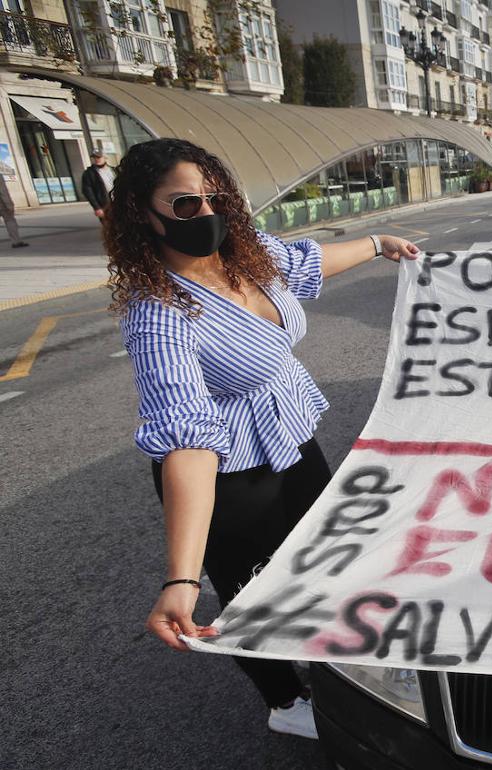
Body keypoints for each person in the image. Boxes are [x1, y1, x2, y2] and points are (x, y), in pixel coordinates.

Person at [105, 138, 419, 740]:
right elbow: (188, 440)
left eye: (216, 197)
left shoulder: (248, 254)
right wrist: (180, 578)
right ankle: (283, 700)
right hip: (227, 471)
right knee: (254, 592)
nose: (207, 214)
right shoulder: (160, 312)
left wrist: (380, 244)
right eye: (186, 203)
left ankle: (339, 661)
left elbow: (309, 263)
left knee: (328, 557)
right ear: (142, 214)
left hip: (291, 438)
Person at [81, 149, 114, 221]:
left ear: (105, 157)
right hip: (104, 204)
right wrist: (97, 207)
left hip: (118, 202)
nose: (96, 159)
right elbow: (88, 191)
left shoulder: (113, 170)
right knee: (109, 226)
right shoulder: (89, 173)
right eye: (94, 158)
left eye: (99, 157)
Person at [0, 173, 29, 247]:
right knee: (10, 221)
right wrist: (9, 204)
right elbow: (3, 192)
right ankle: (16, 241)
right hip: (2, 205)